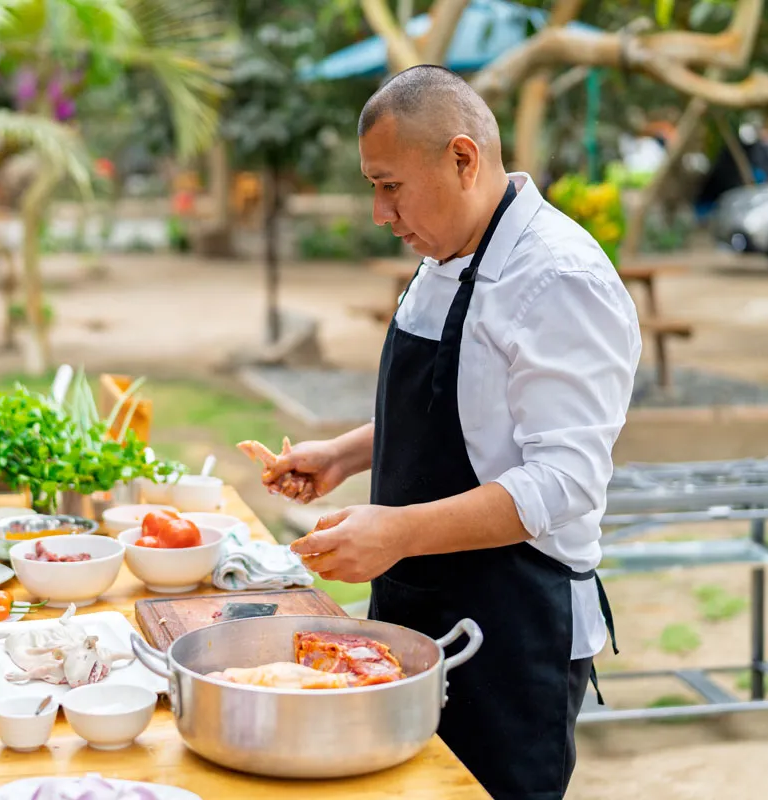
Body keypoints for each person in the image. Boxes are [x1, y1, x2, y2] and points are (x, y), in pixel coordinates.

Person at [259, 66, 642, 799]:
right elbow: (460, 401)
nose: (379, 211)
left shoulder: (559, 278)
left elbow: (562, 482)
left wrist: (398, 530)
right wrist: (343, 454)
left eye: (389, 185)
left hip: (511, 630)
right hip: (412, 607)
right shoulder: (447, 252)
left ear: (462, 160)